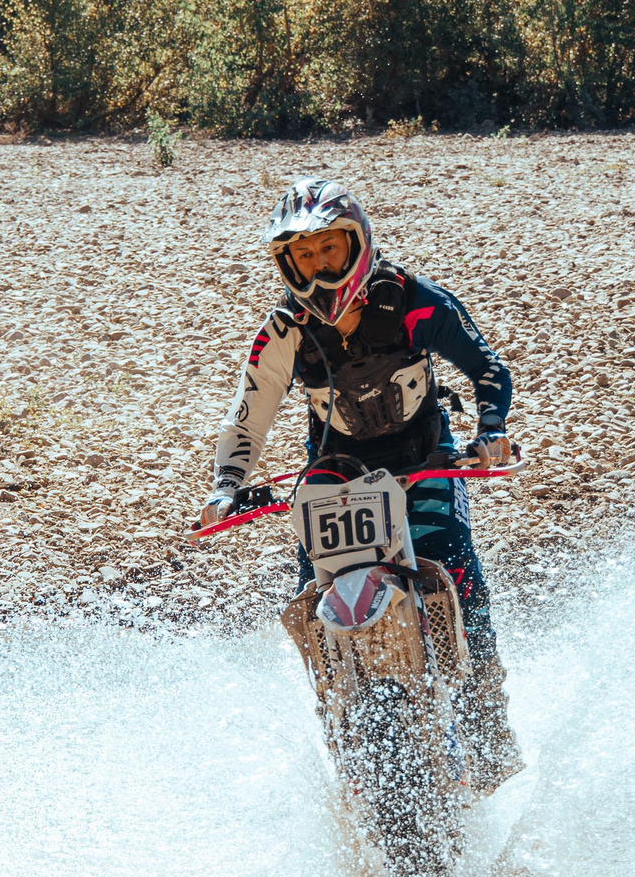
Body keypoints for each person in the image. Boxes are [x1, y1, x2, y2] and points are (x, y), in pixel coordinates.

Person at [199, 177, 523, 785]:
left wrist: (493, 427)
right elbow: (246, 417)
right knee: (310, 601)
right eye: (304, 255)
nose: (319, 268)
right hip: (335, 470)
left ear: (356, 244)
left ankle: (486, 723)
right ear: (286, 262)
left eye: (329, 250)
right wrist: (226, 484)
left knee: (454, 564)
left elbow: (486, 367)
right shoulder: (282, 333)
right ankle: (343, 733)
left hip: (424, 455)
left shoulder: (414, 301)